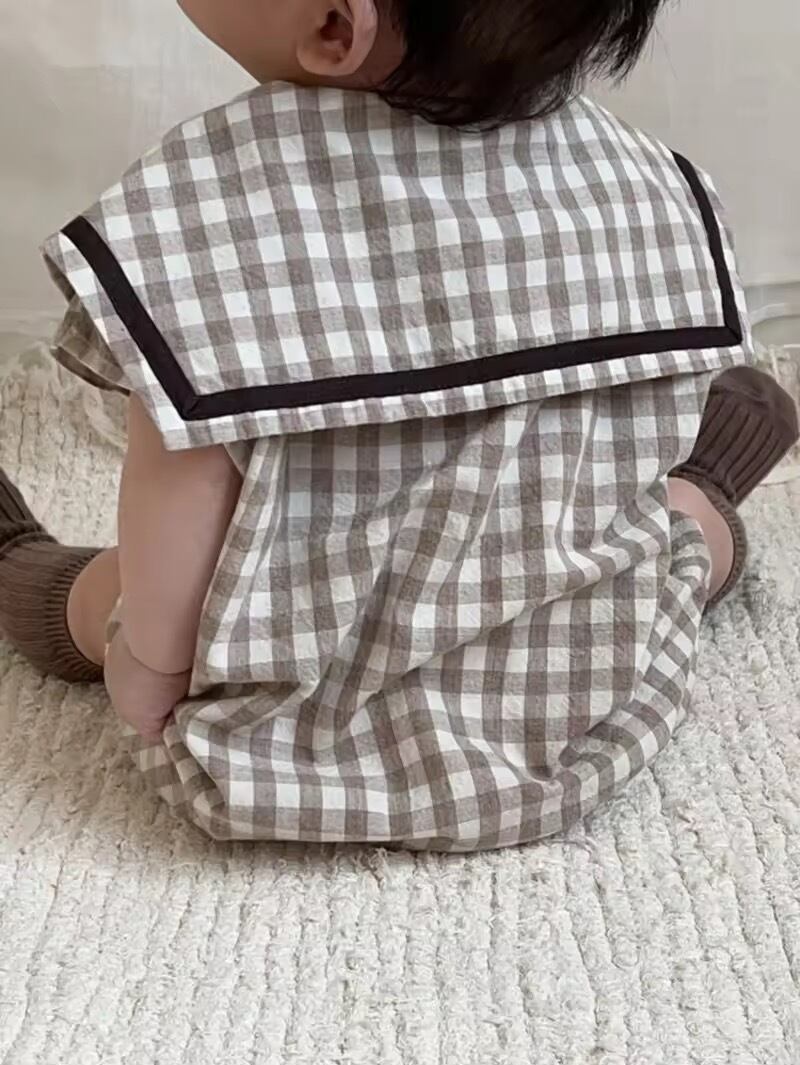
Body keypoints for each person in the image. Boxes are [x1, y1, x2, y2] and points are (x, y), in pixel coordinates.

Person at [0, 0, 796, 849]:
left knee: (122, 594)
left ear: (335, 26)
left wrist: (152, 666)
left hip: (287, 743)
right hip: (584, 710)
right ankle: (714, 475)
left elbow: (179, 514)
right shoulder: (635, 184)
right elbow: (636, 423)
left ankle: (19, 560)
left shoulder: (209, 204)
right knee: (663, 543)